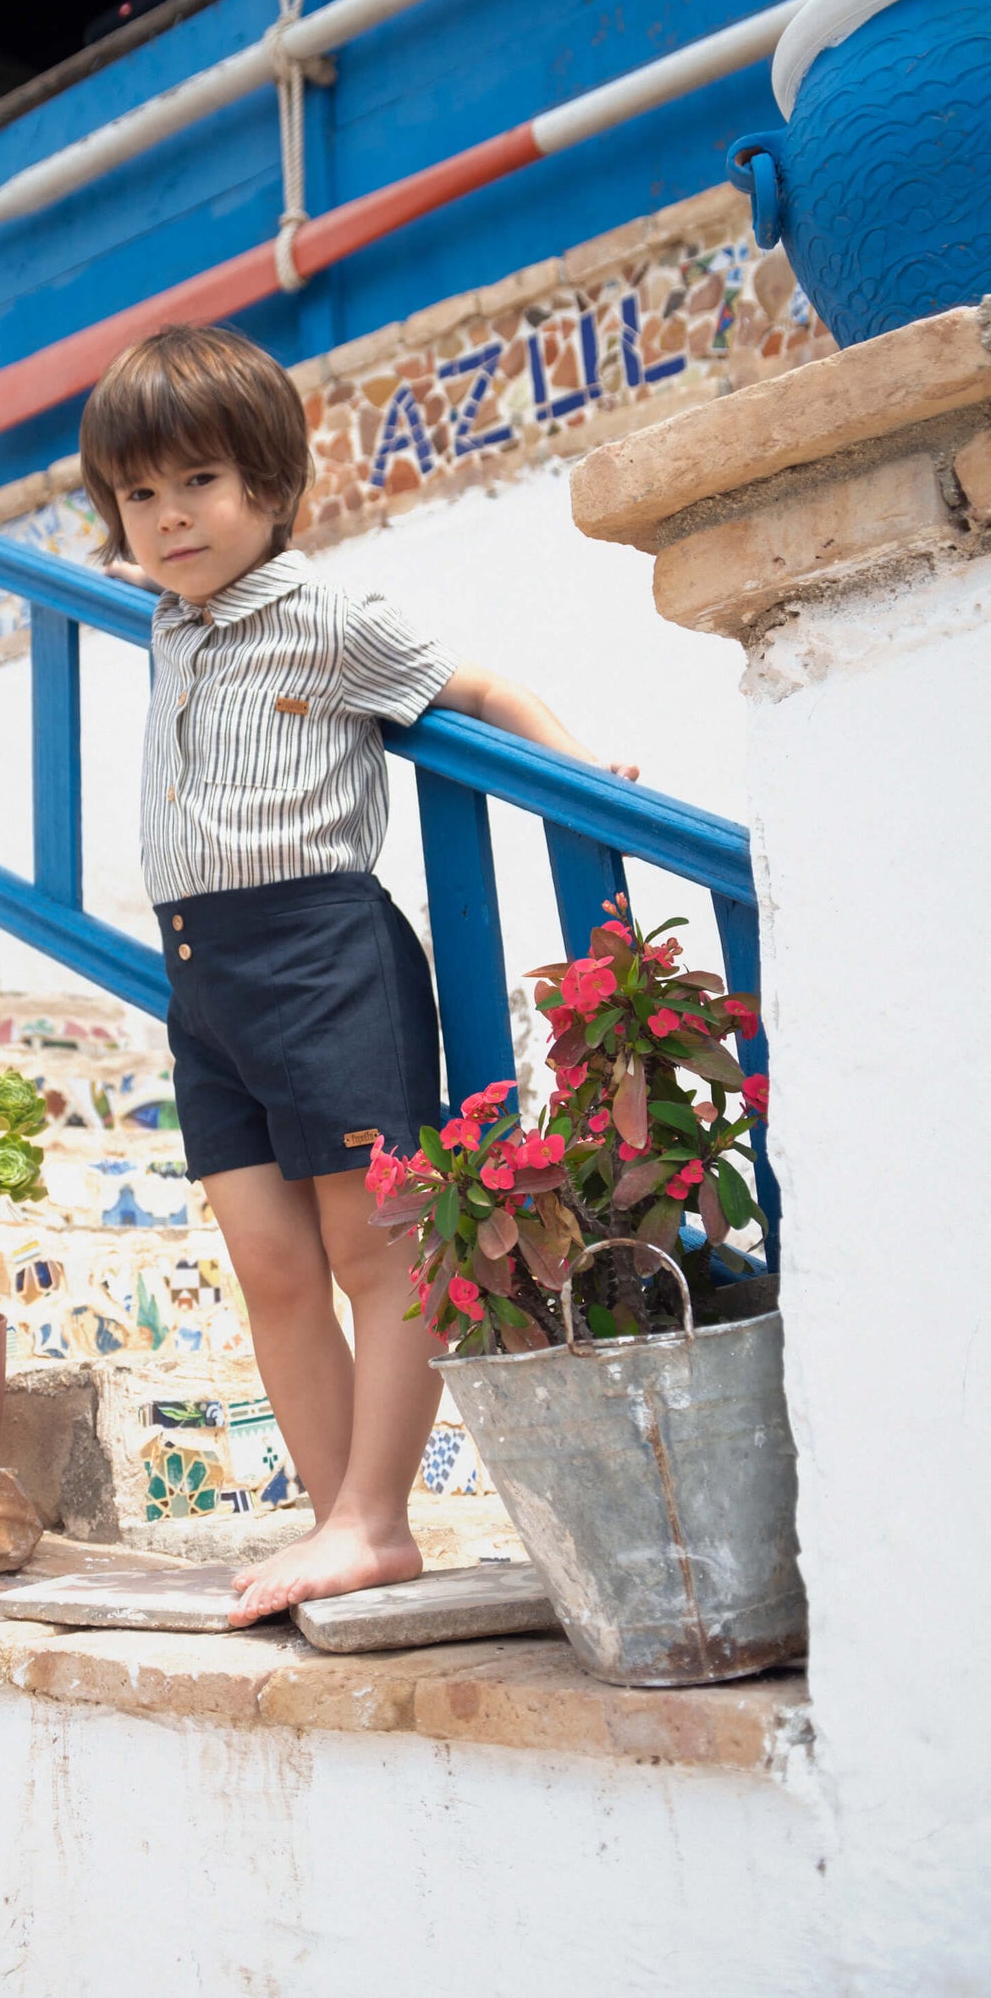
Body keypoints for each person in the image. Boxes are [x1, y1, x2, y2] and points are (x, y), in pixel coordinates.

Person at [77, 325, 638, 1625]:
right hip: (201, 972)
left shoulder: (328, 616)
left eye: (198, 484)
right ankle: (341, 1522)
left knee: (367, 1246)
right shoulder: (171, 611)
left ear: (273, 486)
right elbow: (146, 542)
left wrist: (575, 769)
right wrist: (151, 528)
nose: (166, 519)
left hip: (322, 951)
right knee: (268, 1260)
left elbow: (475, 687)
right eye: (139, 494)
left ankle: (374, 1515)